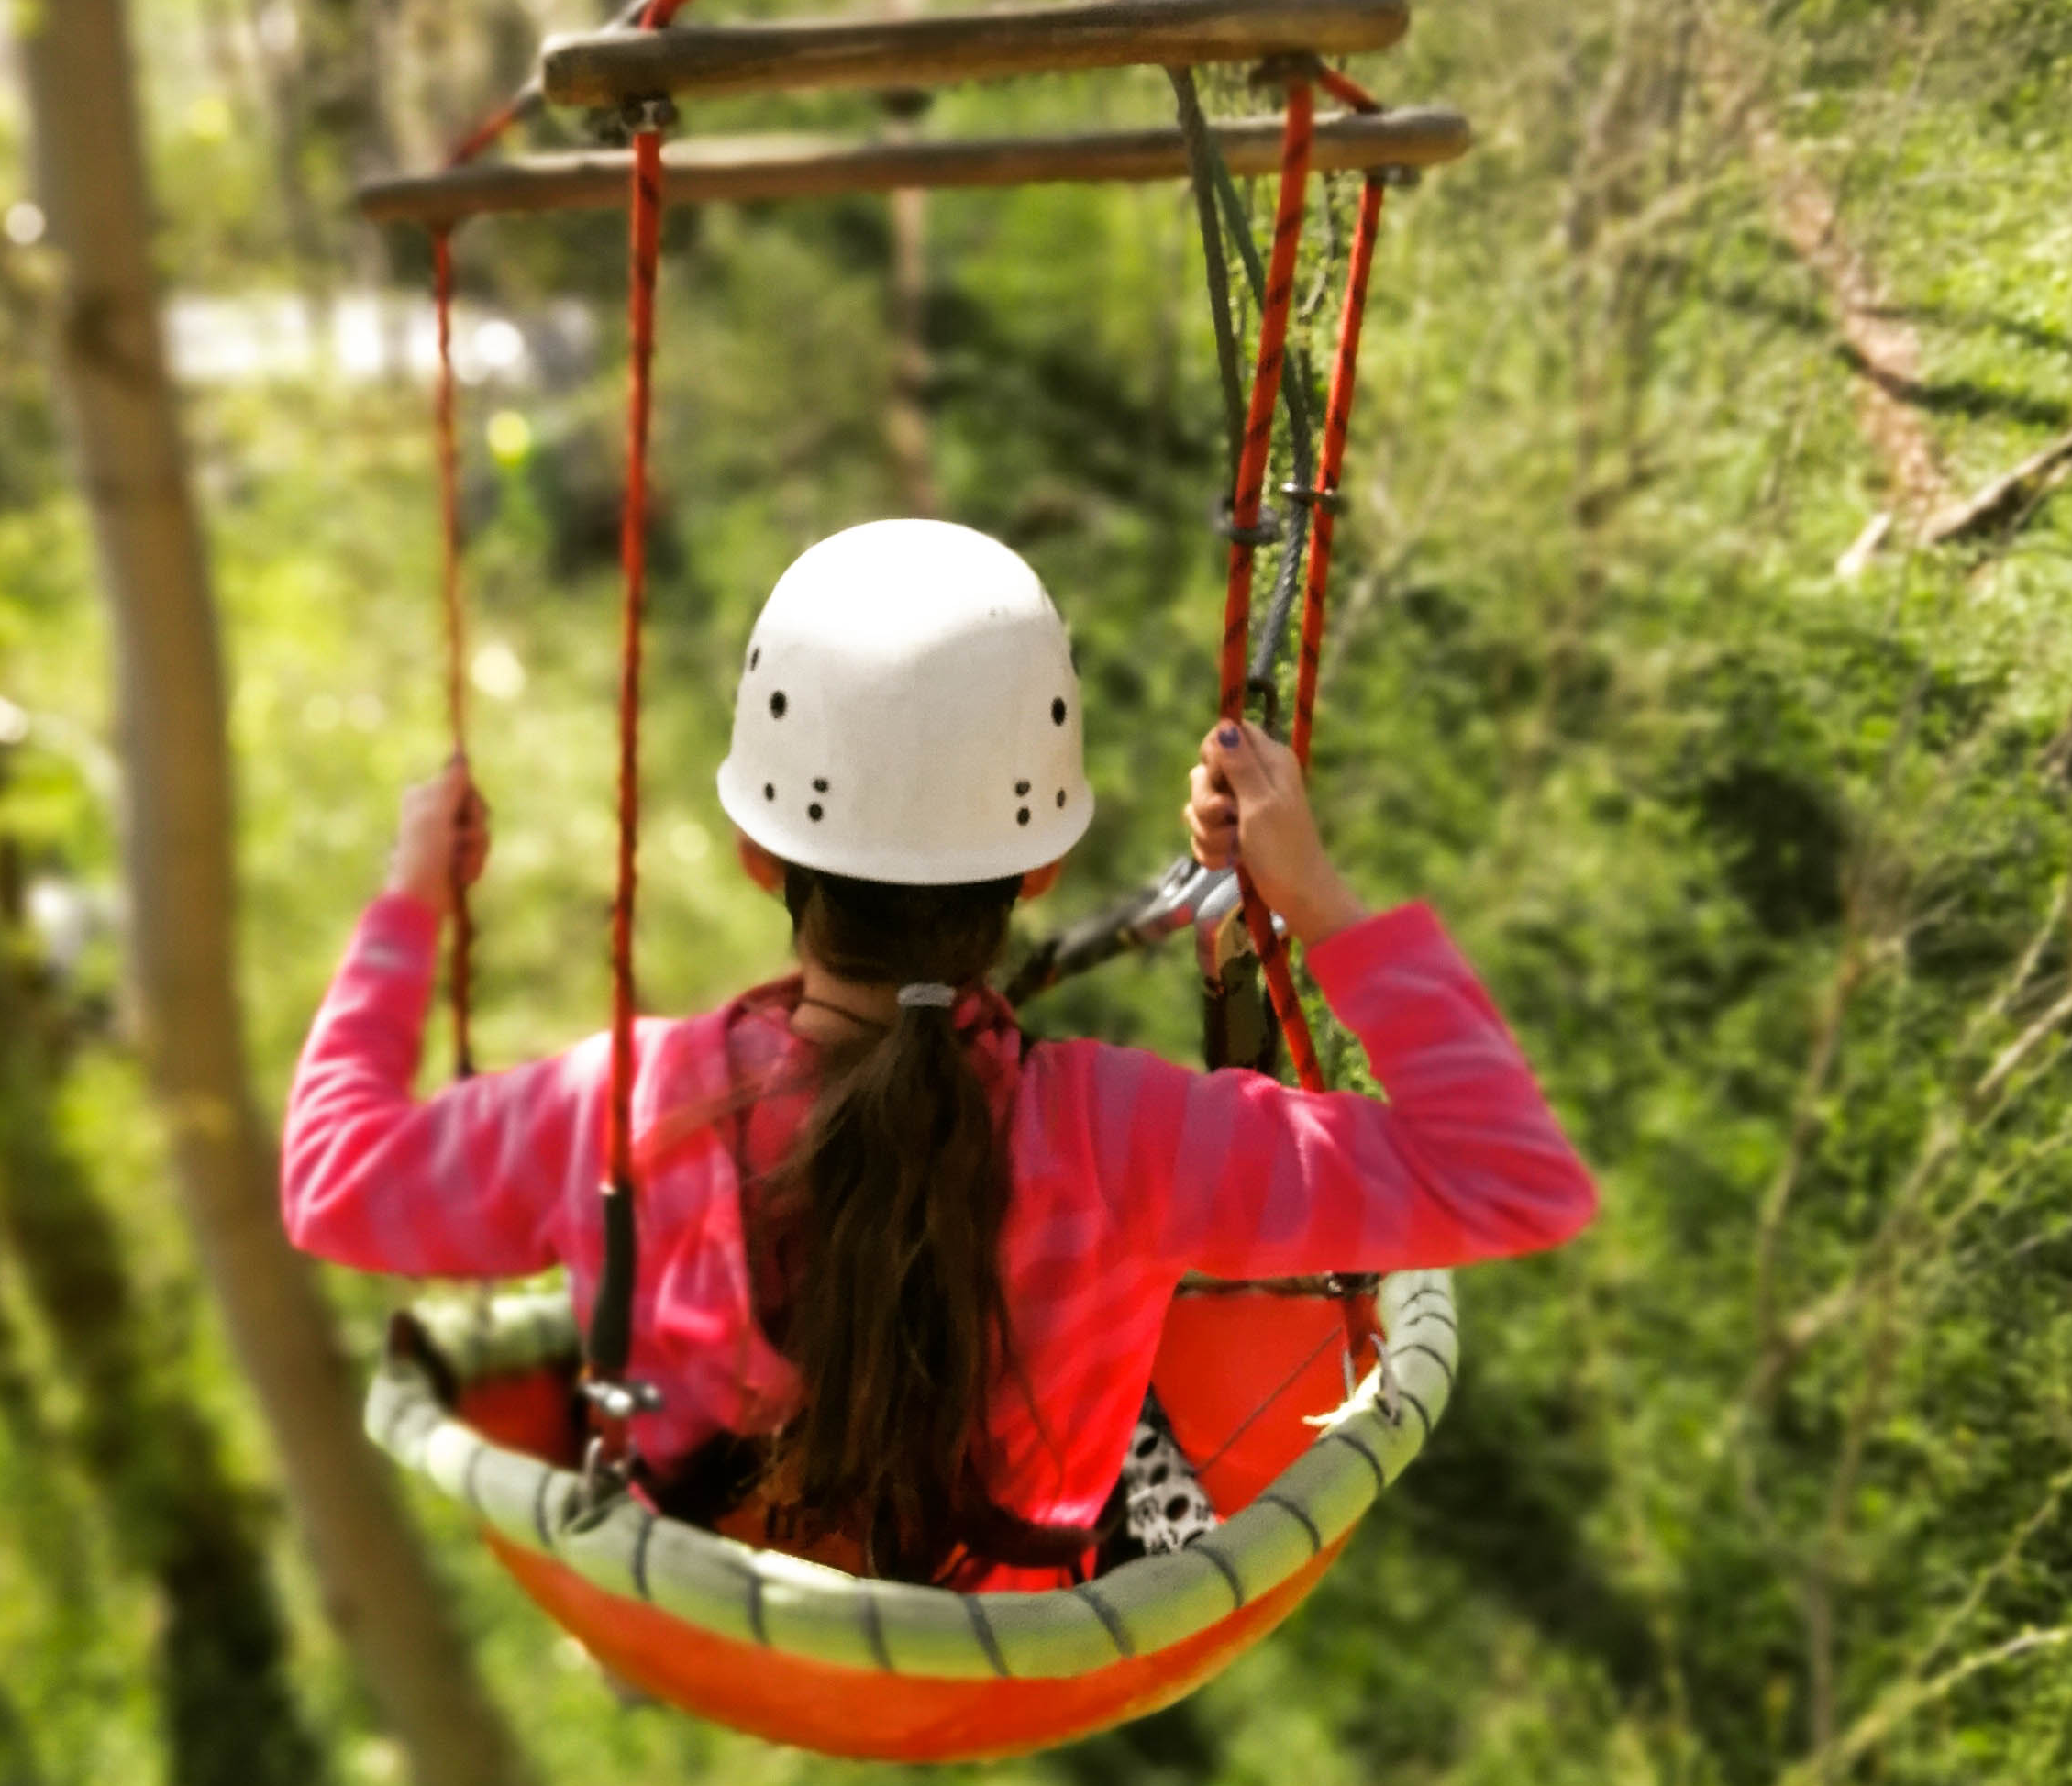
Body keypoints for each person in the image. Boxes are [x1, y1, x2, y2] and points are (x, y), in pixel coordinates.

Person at [283, 519, 1595, 1587]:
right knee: (1154, 1384)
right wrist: (1309, 894)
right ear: (1042, 869)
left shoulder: (623, 1106)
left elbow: (332, 1182)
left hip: (718, 1600)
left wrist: (410, 903)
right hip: (1013, 1618)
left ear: (756, 857)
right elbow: (1517, 1178)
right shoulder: (1129, 1139)